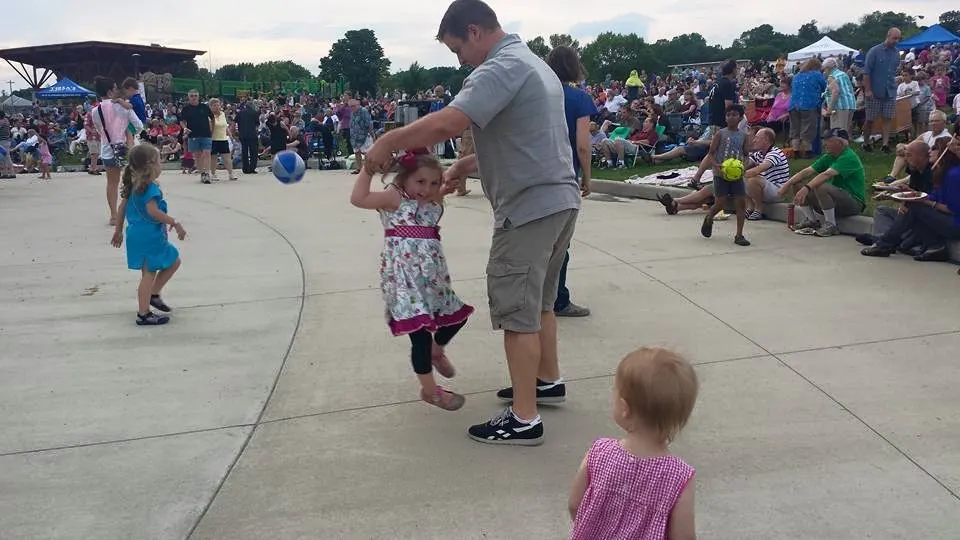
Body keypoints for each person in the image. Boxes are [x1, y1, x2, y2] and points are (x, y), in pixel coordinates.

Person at [363, 0, 581, 446]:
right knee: (539, 303)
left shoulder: (498, 68)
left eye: (457, 48)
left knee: (516, 313)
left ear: (476, 32)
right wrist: (467, 164)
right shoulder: (533, 63)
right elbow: (528, 139)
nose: (459, 59)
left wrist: (389, 139)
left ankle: (523, 419)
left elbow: (449, 121)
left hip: (528, 209)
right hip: (559, 201)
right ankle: (546, 381)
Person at [349, 148, 474, 409]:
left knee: (456, 319)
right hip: (404, 283)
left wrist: (442, 190)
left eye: (433, 183)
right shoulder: (393, 200)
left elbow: (433, 196)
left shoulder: (431, 203)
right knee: (419, 335)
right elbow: (358, 199)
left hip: (434, 281)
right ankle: (431, 391)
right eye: (420, 181)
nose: (426, 189)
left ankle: (436, 351)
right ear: (404, 178)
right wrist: (368, 169)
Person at [568, 347, 698, 540]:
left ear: (624, 408)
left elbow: (574, 504)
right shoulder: (679, 476)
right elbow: (683, 536)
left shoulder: (600, 452)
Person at [110, 144, 186, 326]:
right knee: (148, 274)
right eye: (159, 163)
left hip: (139, 235)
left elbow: (121, 209)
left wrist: (118, 230)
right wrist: (173, 222)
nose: (161, 167)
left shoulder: (133, 186)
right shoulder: (150, 188)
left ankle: (153, 294)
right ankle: (143, 313)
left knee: (173, 260)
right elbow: (152, 211)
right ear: (150, 166)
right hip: (148, 237)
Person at [546, 45, 593, 318]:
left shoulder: (540, 96)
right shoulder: (578, 98)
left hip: (537, 174)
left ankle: (536, 296)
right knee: (560, 245)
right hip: (565, 177)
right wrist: (587, 177)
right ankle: (558, 300)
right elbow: (583, 145)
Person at [862, 136, 960, 261]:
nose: (930, 151)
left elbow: (952, 210)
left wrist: (927, 202)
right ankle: (892, 242)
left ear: (945, 154)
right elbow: (928, 196)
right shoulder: (941, 173)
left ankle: (885, 244)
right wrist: (910, 197)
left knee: (915, 207)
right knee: (909, 208)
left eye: (935, 148)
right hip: (943, 219)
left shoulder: (954, 175)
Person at [778, 128, 866, 237]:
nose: (824, 144)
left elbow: (826, 175)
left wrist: (807, 188)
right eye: (825, 140)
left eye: (829, 141)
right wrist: (787, 184)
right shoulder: (829, 156)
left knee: (821, 187)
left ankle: (831, 225)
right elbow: (807, 171)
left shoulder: (849, 157)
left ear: (840, 142)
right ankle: (811, 222)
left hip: (854, 203)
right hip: (835, 200)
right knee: (797, 184)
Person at [90, 76, 143, 226]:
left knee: (112, 183)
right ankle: (134, 211)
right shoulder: (123, 106)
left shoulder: (95, 110)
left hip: (108, 148)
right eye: (115, 88)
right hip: (127, 147)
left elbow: (99, 129)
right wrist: (127, 131)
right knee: (133, 181)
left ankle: (113, 215)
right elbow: (139, 126)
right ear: (110, 91)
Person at [700, 104, 752, 246]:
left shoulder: (744, 136)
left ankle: (739, 235)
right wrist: (717, 166)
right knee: (720, 202)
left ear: (740, 117)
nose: (731, 117)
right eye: (728, 115)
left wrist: (744, 166)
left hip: (737, 175)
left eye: (734, 115)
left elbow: (746, 155)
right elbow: (710, 154)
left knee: (740, 203)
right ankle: (709, 217)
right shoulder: (720, 134)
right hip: (720, 174)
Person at [861, 28, 902, 153]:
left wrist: (895, 82)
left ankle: (885, 144)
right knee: (870, 119)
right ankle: (866, 142)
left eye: (898, 39)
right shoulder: (874, 51)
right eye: (894, 38)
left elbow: (893, 72)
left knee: (887, 118)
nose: (896, 41)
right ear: (888, 36)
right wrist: (868, 90)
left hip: (890, 91)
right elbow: (867, 73)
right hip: (874, 91)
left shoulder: (896, 53)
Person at [744, 127, 790, 220]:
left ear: (766, 139)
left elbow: (759, 169)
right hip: (768, 188)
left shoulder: (775, 153)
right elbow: (745, 164)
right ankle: (750, 208)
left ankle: (758, 210)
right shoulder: (759, 153)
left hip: (779, 190)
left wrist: (740, 173)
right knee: (740, 178)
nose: (754, 140)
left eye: (757, 137)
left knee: (753, 179)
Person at [179, 89, 215, 184]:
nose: (194, 97)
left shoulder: (204, 107)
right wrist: (184, 128)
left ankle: (207, 173)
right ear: (189, 97)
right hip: (193, 135)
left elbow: (212, 118)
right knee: (198, 156)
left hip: (206, 134)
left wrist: (213, 130)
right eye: (192, 96)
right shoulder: (186, 109)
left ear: (198, 97)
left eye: (195, 95)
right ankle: (202, 173)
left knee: (207, 153)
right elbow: (182, 121)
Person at [208, 98, 236, 181]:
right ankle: (213, 174)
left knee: (227, 157)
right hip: (213, 139)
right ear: (210, 106)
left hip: (223, 139)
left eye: (218, 105)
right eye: (214, 105)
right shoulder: (209, 116)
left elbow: (225, 126)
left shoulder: (223, 114)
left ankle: (231, 174)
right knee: (214, 158)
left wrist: (230, 136)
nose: (217, 107)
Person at [708, 60, 738, 128]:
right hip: (722, 123)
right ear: (733, 70)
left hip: (713, 120)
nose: (737, 71)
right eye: (736, 69)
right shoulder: (727, 84)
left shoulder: (718, 82)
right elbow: (729, 107)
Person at [348, 99, 373, 175]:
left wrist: (370, 133)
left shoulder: (364, 111)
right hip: (354, 136)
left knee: (367, 152)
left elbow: (368, 123)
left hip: (364, 135)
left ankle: (368, 168)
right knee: (356, 152)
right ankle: (359, 168)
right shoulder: (352, 113)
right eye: (350, 106)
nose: (352, 108)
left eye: (353, 106)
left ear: (358, 105)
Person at [237, 99, 261, 174]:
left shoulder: (240, 113)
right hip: (252, 135)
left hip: (242, 134)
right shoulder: (254, 113)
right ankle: (252, 168)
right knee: (253, 152)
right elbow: (257, 125)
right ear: (252, 106)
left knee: (244, 152)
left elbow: (235, 122)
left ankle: (245, 168)